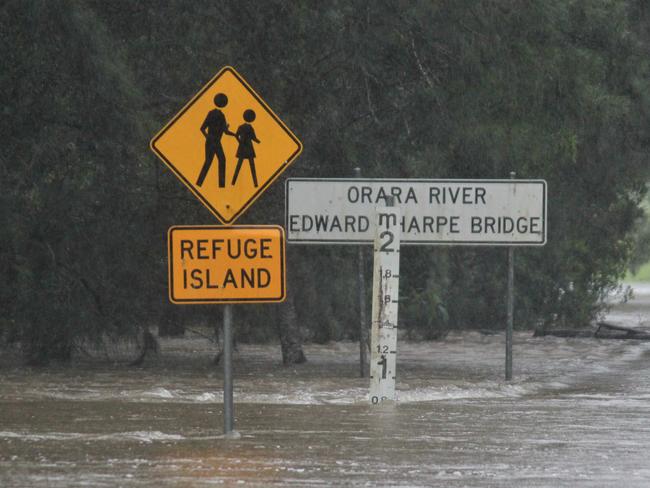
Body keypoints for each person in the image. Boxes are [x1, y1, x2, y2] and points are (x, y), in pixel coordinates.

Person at [196, 93, 235, 188]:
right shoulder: (217, 114)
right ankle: (201, 183)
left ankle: (217, 185)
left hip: (214, 141)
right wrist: (208, 137)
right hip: (213, 142)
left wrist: (234, 134)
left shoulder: (217, 114)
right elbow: (202, 128)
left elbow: (224, 131)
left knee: (217, 160)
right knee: (214, 161)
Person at [231, 109, 261, 187]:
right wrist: (259, 142)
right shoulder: (250, 128)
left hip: (242, 148)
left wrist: (240, 142)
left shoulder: (240, 126)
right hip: (249, 148)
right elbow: (254, 138)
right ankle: (255, 184)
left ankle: (233, 182)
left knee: (238, 165)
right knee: (252, 166)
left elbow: (236, 135)